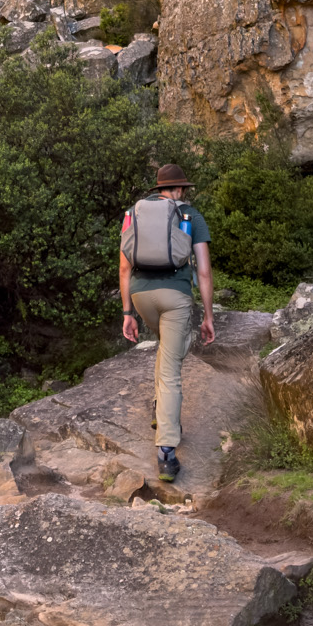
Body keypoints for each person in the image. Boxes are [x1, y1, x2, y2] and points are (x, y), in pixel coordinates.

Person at [119, 162, 214, 482]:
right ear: (180, 189)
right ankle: (166, 453)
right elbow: (203, 271)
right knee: (173, 366)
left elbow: (124, 268)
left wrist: (128, 313)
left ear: (158, 189)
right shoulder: (191, 215)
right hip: (175, 297)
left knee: (166, 348)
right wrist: (209, 315)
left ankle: (160, 406)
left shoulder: (134, 214)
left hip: (141, 297)